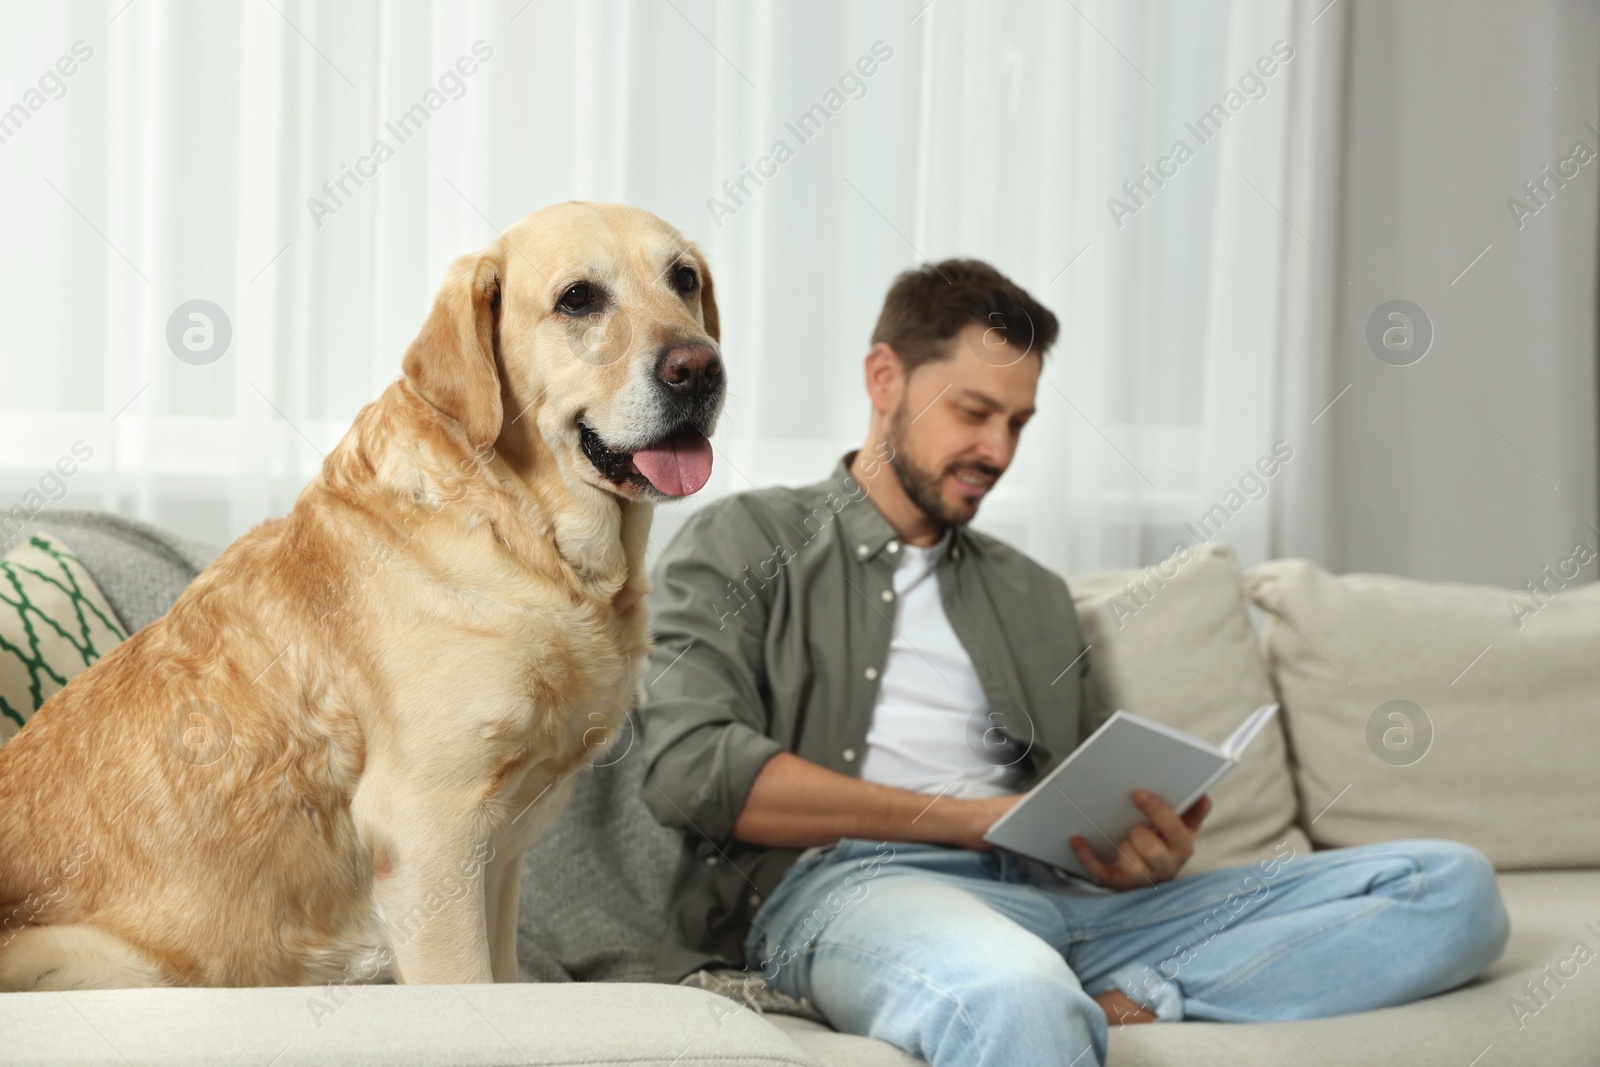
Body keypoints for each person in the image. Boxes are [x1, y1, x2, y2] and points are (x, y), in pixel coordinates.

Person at [636, 258, 1510, 1066]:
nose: (999, 452)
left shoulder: (1034, 595)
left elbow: (1077, 790)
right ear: (884, 378)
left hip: (1075, 903)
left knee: (1447, 886)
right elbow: (689, 769)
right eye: (974, 412)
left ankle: (1135, 998)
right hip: (855, 889)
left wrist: (1135, 852)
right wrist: (965, 818)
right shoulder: (746, 540)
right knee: (1016, 996)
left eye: (1017, 422)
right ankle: (1072, 992)